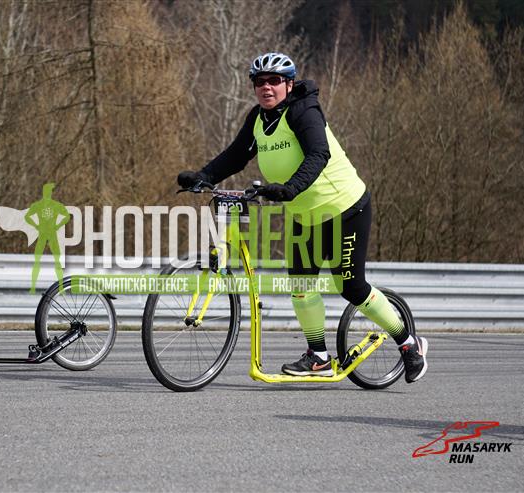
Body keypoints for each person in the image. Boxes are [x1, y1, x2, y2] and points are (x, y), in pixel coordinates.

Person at [177, 52, 428, 383]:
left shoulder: (303, 111)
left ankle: (409, 345)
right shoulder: (258, 119)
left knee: (351, 287)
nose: (266, 87)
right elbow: (236, 156)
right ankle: (319, 357)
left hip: (344, 208)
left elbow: (318, 154)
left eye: (274, 81)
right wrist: (203, 176)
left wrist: (291, 187)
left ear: (289, 84)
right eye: (259, 81)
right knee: (300, 286)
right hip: (304, 216)